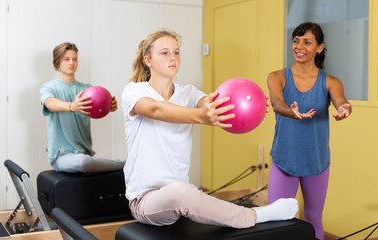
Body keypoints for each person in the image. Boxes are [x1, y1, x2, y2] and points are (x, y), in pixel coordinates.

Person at [121, 29, 298, 229]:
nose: (173, 58)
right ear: (148, 60)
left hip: (180, 192)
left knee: (183, 191)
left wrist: (251, 108)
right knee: (183, 192)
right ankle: (254, 215)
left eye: (176, 52)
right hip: (145, 199)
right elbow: (155, 108)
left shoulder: (189, 93)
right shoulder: (134, 91)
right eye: (164, 53)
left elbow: (214, 103)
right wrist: (201, 117)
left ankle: (200, 202)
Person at [267, 22, 352, 239]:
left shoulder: (330, 82)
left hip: (317, 161)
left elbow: (342, 101)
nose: (299, 46)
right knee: (276, 219)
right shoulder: (277, 77)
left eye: (307, 42)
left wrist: (345, 108)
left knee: (313, 217)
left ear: (320, 48)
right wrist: (290, 111)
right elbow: (276, 103)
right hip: (284, 158)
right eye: (296, 41)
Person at [40, 42, 125, 174]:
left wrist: (110, 105)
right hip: (61, 156)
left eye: (74, 59)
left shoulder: (87, 89)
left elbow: (100, 107)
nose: (71, 63)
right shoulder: (49, 87)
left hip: (85, 153)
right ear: (57, 62)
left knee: (84, 160)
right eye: (66, 59)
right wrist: (71, 106)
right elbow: (50, 104)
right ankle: (125, 165)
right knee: (83, 163)